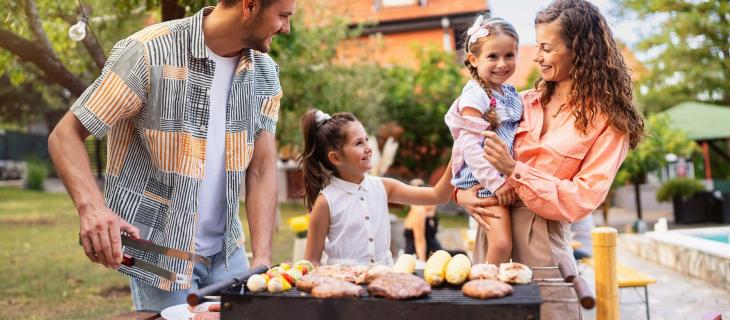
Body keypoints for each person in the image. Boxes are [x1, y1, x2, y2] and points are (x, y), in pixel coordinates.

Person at [47, 0, 295, 311]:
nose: (286, 28)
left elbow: (261, 169)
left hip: (228, 253)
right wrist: (92, 209)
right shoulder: (148, 51)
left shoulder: (265, 73)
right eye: (283, 16)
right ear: (250, 5)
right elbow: (64, 135)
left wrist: (261, 261)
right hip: (159, 255)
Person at [456, 0, 644, 318]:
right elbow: (468, 142)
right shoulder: (520, 103)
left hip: (543, 242)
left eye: (546, 47)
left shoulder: (610, 123)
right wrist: (461, 193)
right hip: (492, 234)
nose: (537, 56)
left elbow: (582, 199)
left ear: (579, 50)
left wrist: (514, 169)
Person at [299, 110, 455, 266]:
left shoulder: (383, 187)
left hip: (383, 283)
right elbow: (311, 262)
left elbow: (438, 195)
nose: (369, 148)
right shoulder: (326, 202)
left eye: (366, 140)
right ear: (336, 158)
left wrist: (457, 154)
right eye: (359, 143)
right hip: (344, 287)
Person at [445, 16, 523, 265]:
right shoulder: (474, 95)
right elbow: (470, 147)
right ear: (473, 59)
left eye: (509, 55)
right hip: (482, 179)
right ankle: (485, 282)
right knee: (501, 244)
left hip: (499, 175)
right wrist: (497, 184)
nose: (502, 63)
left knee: (504, 244)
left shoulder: (509, 93)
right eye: (493, 57)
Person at [402, 179, 443, 261]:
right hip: (419, 256)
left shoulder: (429, 211)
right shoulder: (418, 210)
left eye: (421, 186)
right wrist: (422, 263)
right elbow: (419, 240)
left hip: (434, 254)